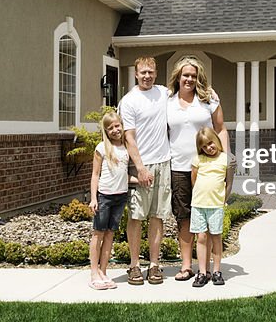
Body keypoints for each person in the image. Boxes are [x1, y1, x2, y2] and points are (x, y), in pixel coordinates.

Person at [165, 55, 231, 282]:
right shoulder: (167, 100)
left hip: (207, 169)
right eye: (185, 75)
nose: (189, 79)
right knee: (184, 217)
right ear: (178, 76)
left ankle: (212, 268)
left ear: (198, 78)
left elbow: (221, 129)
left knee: (210, 218)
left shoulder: (208, 100)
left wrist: (226, 159)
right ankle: (187, 266)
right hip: (179, 167)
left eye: (193, 76)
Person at [118, 56, 172, 285]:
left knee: (157, 216)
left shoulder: (163, 93)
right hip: (141, 165)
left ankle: (155, 265)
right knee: (137, 216)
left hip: (164, 163)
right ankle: (134, 266)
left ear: (156, 73)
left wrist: (211, 94)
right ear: (136, 74)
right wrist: (139, 168)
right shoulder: (129, 101)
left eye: (150, 72)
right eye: (143, 73)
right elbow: (129, 137)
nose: (147, 76)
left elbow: (189, 92)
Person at [88, 111, 130, 290]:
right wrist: (93, 198)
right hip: (104, 196)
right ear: (106, 131)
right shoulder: (101, 148)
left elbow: (125, 174)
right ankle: (94, 273)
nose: (115, 130)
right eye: (110, 128)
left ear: (121, 125)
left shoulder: (127, 147)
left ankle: (104, 271)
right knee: (98, 233)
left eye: (117, 125)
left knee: (110, 234)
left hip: (121, 196)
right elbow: (95, 175)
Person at [190, 127, 232, 287]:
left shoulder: (224, 159)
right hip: (199, 204)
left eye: (210, 143)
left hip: (216, 206)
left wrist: (223, 200)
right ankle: (202, 272)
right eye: (204, 146)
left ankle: (216, 271)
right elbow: (193, 180)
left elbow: (228, 183)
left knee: (216, 238)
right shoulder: (198, 160)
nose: (208, 148)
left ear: (216, 140)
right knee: (201, 238)